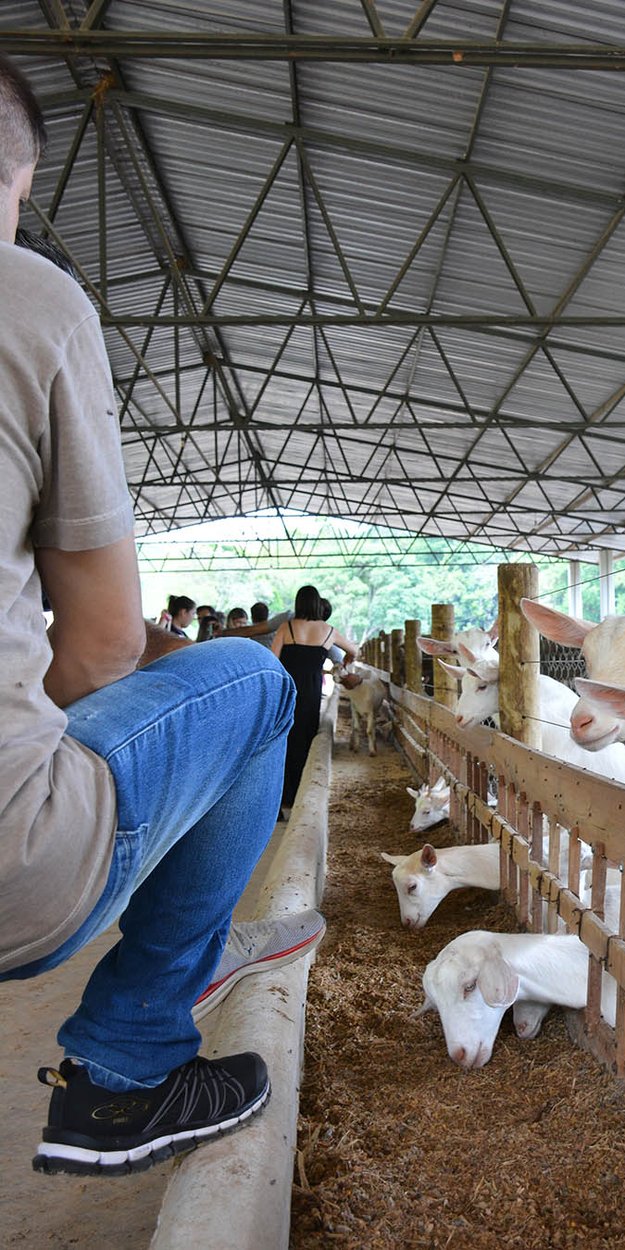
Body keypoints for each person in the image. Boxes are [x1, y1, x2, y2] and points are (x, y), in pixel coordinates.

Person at [0, 57, 324, 1178]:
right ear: (24, 175)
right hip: (13, 868)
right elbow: (97, 644)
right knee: (257, 683)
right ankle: (129, 1066)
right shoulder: (30, 295)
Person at [272, 585, 356, 811]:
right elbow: (354, 650)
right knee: (307, 738)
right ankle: (302, 794)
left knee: (285, 739)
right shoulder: (328, 630)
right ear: (318, 604)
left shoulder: (286, 627)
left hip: (287, 690)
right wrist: (346, 662)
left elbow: (272, 660)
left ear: (298, 604)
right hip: (310, 690)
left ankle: (283, 797)